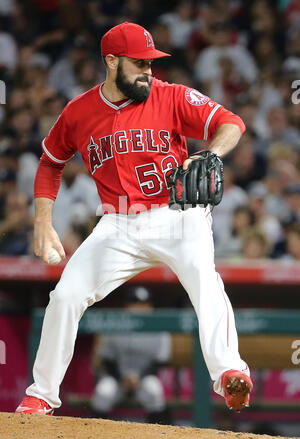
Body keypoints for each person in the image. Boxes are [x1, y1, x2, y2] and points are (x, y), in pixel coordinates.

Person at [16, 22, 253, 417]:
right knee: (66, 296)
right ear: (111, 61)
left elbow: (231, 123)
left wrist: (212, 152)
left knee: (203, 277)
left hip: (178, 215)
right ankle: (41, 395)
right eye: (139, 63)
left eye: (151, 62)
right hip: (117, 224)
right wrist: (43, 221)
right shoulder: (78, 112)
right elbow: (50, 162)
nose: (148, 70)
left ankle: (230, 370)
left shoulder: (172, 96)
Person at [91, 286, 172, 424]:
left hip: (145, 378)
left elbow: (160, 362)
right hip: (117, 378)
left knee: (154, 391)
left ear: (150, 306)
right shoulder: (115, 325)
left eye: (143, 304)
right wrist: (121, 378)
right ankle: (94, 436)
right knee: (103, 392)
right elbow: (107, 359)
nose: (139, 308)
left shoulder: (159, 328)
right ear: (127, 306)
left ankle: (157, 438)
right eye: (135, 303)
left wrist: (138, 378)